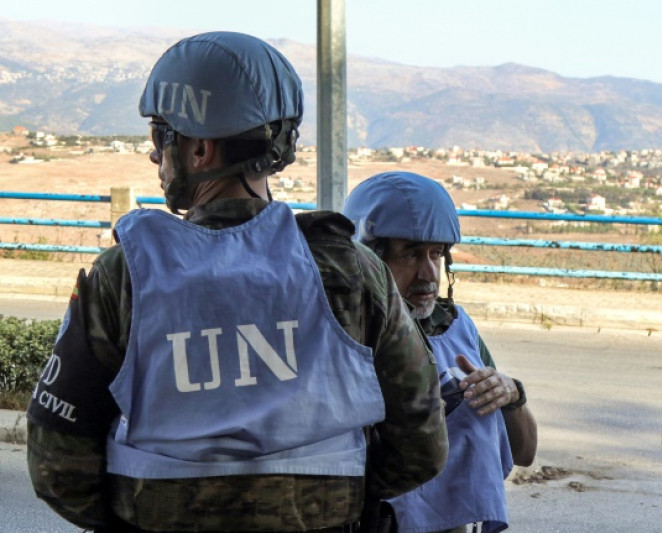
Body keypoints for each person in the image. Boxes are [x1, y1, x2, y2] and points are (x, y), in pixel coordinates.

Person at [26, 32, 448, 533]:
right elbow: (421, 445)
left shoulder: (124, 275)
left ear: (200, 149)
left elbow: (57, 465)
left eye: (161, 136)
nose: (155, 155)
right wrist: (332, 502)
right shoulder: (353, 270)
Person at [342, 171, 538, 533]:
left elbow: (524, 452)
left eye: (436, 253)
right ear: (368, 258)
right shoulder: (344, 336)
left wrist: (512, 394)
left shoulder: (455, 329)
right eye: (411, 254)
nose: (429, 273)